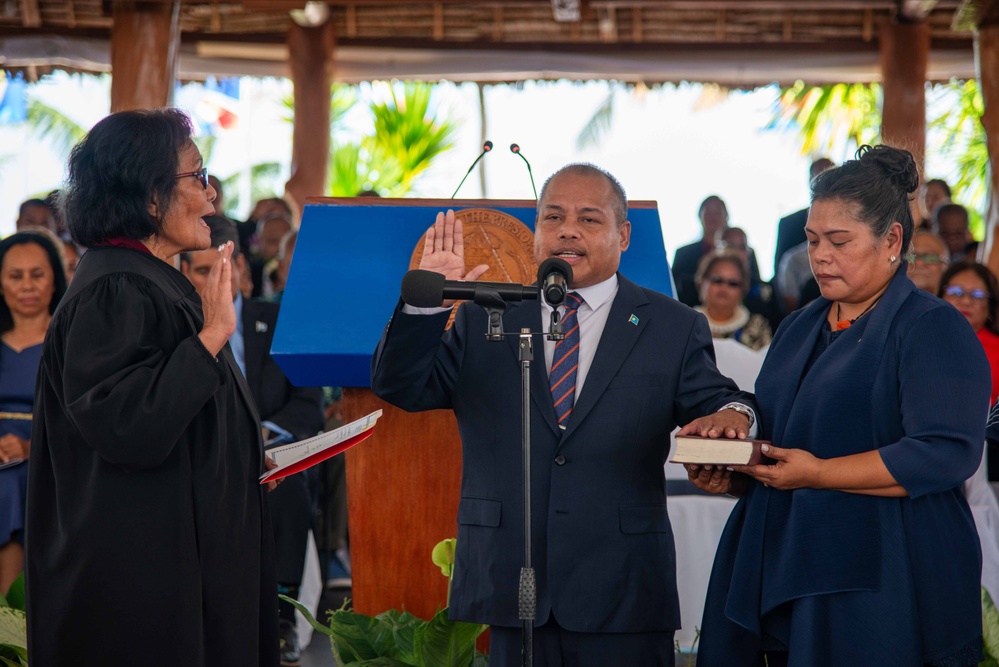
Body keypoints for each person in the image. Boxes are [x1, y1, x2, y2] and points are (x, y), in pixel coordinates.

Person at [371, 163, 757, 666]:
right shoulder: (484, 314)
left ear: (623, 235)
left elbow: (723, 401)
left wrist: (735, 417)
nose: (568, 229)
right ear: (536, 234)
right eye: (553, 217)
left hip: (623, 590)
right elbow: (402, 386)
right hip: (512, 584)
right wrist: (427, 304)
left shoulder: (671, 325)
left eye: (589, 220)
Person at [691, 145, 989, 667]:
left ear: (892, 240)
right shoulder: (801, 323)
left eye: (838, 241)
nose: (819, 255)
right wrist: (734, 451)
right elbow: (777, 413)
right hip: (793, 555)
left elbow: (943, 452)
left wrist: (820, 473)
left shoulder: (931, 327)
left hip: (887, 574)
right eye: (811, 240)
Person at [25, 108, 280, 667]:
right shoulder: (116, 286)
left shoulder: (149, 278)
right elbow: (127, 428)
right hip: (141, 584)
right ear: (149, 198)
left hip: (178, 567)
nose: (212, 195)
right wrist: (212, 335)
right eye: (198, 176)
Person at [181, 214, 324, 666]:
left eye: (222, 268)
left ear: (241, 267)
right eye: (203, 272)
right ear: (184, 274)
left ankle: (280, 613)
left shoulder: (277, 319)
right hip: (203, 455)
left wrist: (254, 433)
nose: (214, 281)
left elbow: (307, 404)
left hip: (269, 449)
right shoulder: (179, 327)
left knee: (285, 480)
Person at [0, 233, 66, 594]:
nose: (27, 285)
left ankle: (15, 626)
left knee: (9, 484)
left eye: (37, 274)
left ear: (54, 278)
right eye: (15, 275)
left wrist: (29, 448)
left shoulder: (71, 339)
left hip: (50, 452)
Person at [939, 260, 999, 405]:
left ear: (990, 307)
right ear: (939, 297)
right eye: (955, 292)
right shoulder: (920, 340)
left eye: (977, 295)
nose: (966, 301)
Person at [694, 250, 772, 351]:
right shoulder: (687, 322)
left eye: (733, 283)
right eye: (717, 280)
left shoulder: (758, 326)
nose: (724, 287)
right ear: (702, 282)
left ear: (743, 289)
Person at [773, 157, 834, 275]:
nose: (824, 183)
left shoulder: (852, 220)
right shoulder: (789, 225)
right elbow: (779, 273)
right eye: (819, 177)